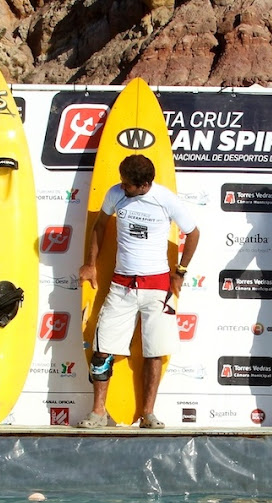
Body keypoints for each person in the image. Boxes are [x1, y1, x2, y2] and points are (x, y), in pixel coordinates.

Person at [78, 154, 200, 429]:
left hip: (157, 288)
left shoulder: (165, 199)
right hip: (121, 286)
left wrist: (180, 271)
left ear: (144, 184)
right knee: (101, 350)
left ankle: (148, 414)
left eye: (127, 184)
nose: (122, 186)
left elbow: (193, 233)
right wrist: (90, 264)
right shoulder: (115, 194)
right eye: (121, 181)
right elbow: (99, 226)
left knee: (154, 352)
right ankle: (98, 412)